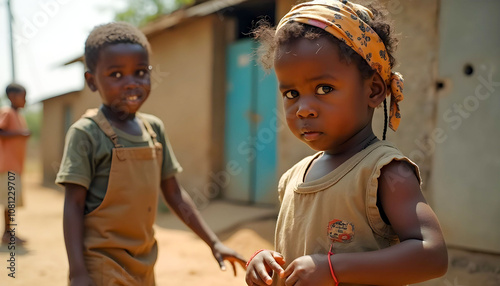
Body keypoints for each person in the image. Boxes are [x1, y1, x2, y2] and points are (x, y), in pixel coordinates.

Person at [245, 1, 448, 285]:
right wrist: (268, 259)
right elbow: (303, 255)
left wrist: (332, 269)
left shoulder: (384, 172)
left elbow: (433, 255)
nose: (303, 109)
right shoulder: (293, 177)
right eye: (291, 93)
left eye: (324, 89)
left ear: (374, 90)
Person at [56, 22, 246, 286]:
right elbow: (73, 205)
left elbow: (175, 194)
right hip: (101, 262)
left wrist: (213, 243)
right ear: (91, 81)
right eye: (116, 75)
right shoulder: (86, 134)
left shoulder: (153, 129)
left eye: (140, 72)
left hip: (144, 261)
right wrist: (77, 272)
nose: (131, 83)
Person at [0, 83, 30, 245]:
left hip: (15, 165)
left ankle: (9, 231)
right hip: (7, 165)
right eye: (23, 96)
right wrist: (20, 134)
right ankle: (7, 233)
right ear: (12, 96)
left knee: (11, 202)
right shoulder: (7, 113)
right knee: (8, 201)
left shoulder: (18, 115)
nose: (25, 100)